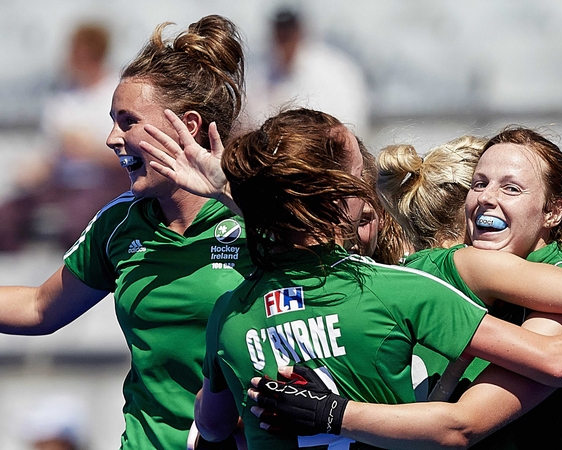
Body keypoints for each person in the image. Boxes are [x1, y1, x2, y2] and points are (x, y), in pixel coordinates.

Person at [141, 107, 562, 449]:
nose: (487, 199)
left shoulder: (229, 314)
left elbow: (210, 426)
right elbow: (476, 415)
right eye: (480, 184)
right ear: (338, 198)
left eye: (510, 188)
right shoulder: (408, 285)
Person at [0, 15, 253, 450]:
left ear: (187, 126)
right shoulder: (119, 221)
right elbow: (41, 308)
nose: (111, 138)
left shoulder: (259, 216)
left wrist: (232, 193)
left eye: (128, 121)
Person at [0, 22, 129, 251]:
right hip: (59, 181)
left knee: (76, 225)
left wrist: (89, 151)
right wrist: (34, 169)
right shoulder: (62, 95)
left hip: (100, 182)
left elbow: (130, 156)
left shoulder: (117, 94)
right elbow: (52, 151)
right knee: (6, 217)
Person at [244, 7, 370, 133]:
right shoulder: (259, 75)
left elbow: (351, 121)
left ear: (300, 32)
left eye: (288, 33)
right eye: (280, 33)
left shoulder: (336, 72)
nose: (284, 40)